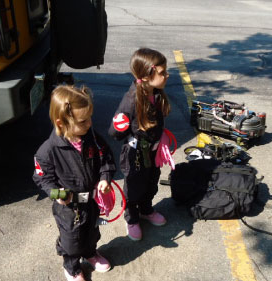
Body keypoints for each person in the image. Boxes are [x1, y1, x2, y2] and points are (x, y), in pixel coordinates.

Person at [33, 85, 116, 281]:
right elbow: (41, 178)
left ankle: (90, 253)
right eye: (83, 121)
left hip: (91, 201)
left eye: (90, 117)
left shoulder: (93, 138)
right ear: (61, 122)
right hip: (69, 207)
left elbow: (106, 159)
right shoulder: (48, 150)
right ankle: (71, 267)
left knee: (91, 231)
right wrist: (56, 194)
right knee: (71, 241)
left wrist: (105, 177)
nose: (89, 123)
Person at [108, 47, 171, 241]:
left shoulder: (157, 93)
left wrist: (161, 139)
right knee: (134, 186)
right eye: (162, 73)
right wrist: (123, 129)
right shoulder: (130, 101)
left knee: (151, 181)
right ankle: (132, 217)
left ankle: (145, 209)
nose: (166, 75)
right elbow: (114, 132)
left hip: (152, 152)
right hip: (135, 154)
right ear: (145, 76)